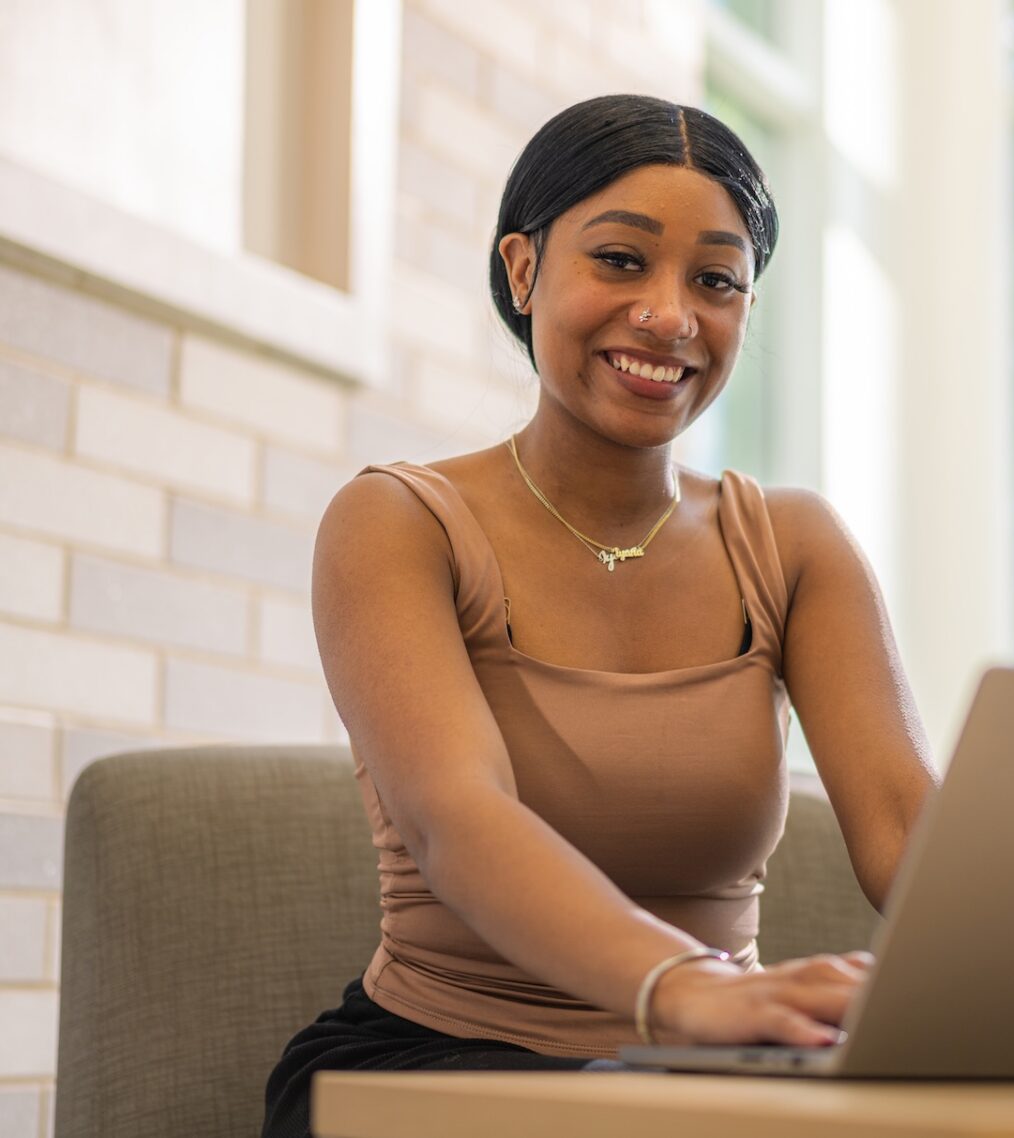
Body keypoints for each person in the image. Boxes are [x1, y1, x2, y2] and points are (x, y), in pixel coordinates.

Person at [261, 93, 937, 1138]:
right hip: (439, 1065)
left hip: (710, 1077)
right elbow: (458, 820)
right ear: (523, 268)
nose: (671, 315)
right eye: (621, 260)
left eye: (716, 280)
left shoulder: (794, 544)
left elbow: (903, 826)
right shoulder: (398, 522)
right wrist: (679, 986)